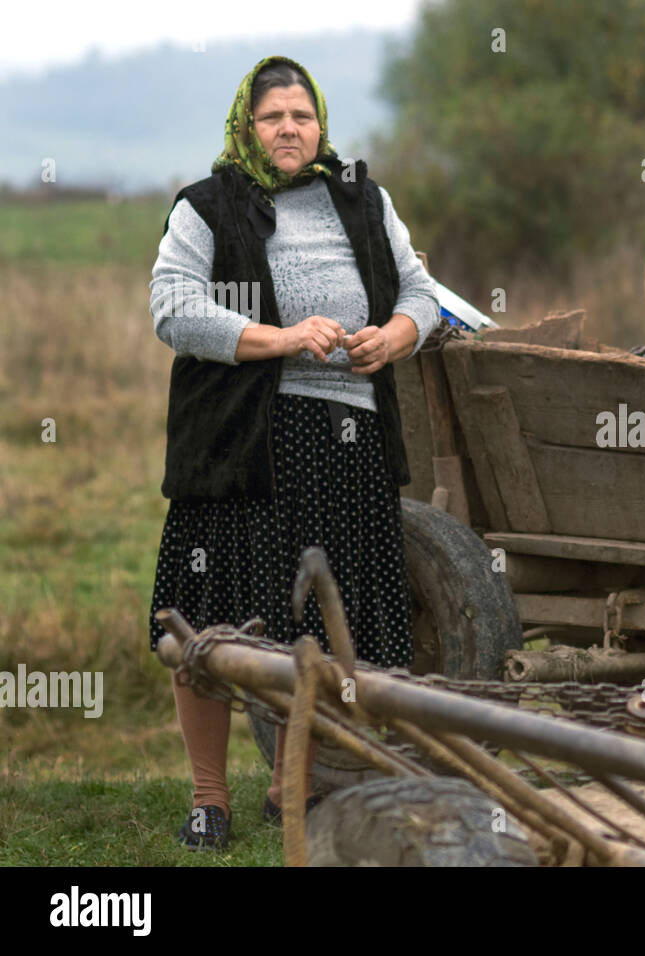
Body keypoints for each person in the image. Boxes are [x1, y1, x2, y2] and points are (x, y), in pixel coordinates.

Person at [147, 55, 441, 850]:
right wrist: (281, 339)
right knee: (211, 631)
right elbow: (172, 310)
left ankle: (291, 786)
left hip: (350, 451)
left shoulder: (362, 201)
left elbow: (422, 291)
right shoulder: (208, 207)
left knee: (323, 629)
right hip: (242, 449)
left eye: (301, 116)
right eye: (273, 116)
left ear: (320, 125)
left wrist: (398, 333)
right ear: (249, 125)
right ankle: (210, 797)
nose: (289, 129)